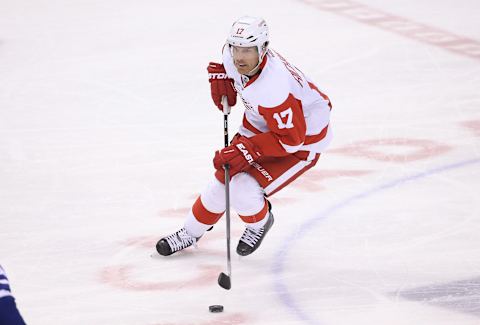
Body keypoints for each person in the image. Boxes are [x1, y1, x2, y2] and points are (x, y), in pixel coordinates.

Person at [156, 16, 332, 257]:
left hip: (302, 142)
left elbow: (292, 139)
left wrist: (248, 149)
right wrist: (223, 77)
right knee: (223, 179)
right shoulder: (231, 56)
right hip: (260, 124)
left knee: (243, 189)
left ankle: (260, 222)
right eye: (236, 48)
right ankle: (190, 232)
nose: (239, 57)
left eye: (248, 50)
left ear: (263, 49)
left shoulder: (274, 88)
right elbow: (230, 63)